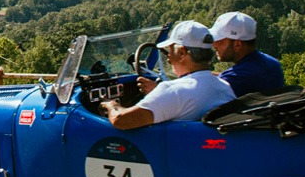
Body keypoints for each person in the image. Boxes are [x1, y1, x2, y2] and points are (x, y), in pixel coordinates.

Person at [103, 20, 234, 130]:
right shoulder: (224, 86)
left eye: (171, 50)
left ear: (182, 53)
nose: (168, 58)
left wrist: (110, 104)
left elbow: (121, 121)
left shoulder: (173, 91)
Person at [210, 11, 285, 96]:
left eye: (220, 41)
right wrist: (208, 74)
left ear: (237, 44)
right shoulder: (273, 64)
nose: (214, 44)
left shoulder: (235, 79)